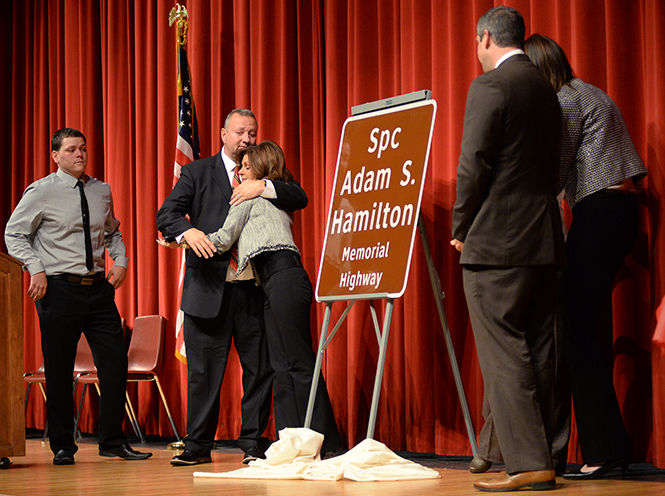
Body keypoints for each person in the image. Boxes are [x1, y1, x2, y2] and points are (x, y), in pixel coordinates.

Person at [450, 6, 565, 492]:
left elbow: (474, 163)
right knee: (543, 349)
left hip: (496, 241)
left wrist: (461, 224)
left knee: (504, 352)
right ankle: (548, 457)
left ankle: (527, 463)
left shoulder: (490, 86)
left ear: (484, 38)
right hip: (544, 237)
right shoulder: (545, 87)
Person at [524, 33, 648, 480]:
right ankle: (608, 445)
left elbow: (556, 166)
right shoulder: (592, 92)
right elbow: (630, 164)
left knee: (577, 331)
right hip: (619, 210)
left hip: (598, 211)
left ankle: (604, 448)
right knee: (587, 327)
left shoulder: (562, 100)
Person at [156, 109, 308, 466]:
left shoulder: (267, 173)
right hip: (207, 287)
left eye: (253, 133)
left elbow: (298, 196)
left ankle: (253, 443)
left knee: (259, 369)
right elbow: (167, 214)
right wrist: (187, 232)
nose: (247, 139)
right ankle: (197, 445)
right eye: (240, 132)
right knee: (203, 372)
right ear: (223, 134)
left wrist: (263, 186)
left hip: (255, 289)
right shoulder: (197, 171)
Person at [5, 127, 151, 465]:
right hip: (58, 290)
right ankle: (62, 446)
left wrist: (122, 261)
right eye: (71, 150)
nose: (80, 155)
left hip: (98, 290)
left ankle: (113, 441)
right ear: (55, 156)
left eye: (83, 149)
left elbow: (112, 232)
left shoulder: (101, 190)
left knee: (115, 364)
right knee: (59, 369)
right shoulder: (41, 191)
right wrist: (35, 268)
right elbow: (14, 234)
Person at [206, 140, 342, 455]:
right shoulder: (255, 194)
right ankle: (294, 443)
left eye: (245, 166)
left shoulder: (259, 194)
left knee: (297, 363)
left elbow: (224, 238)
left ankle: (326, 443)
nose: (239, 171)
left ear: (262, 170)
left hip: (285, 277)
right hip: (271, 284)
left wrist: (188, 239)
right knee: (282, 365)